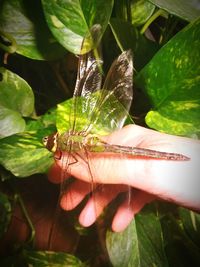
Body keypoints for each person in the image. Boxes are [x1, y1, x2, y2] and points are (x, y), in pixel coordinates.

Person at [48, 125, 200, 232]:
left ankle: (178, 156)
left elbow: (73, 161)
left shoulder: (70, 152)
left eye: (53, 140)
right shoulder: (73, 138)